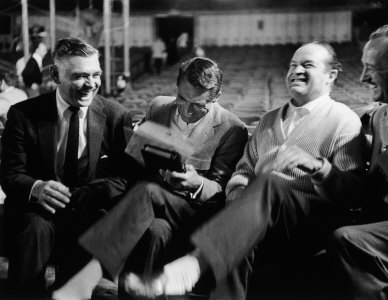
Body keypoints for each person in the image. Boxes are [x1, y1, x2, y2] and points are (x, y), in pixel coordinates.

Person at [131, 41, 368, 300]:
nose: (296, 70)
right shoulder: (269, 120)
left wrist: (317, 167)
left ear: (331, 75)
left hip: (307, 224)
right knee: (239, 224)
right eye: (292, 65)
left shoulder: (344, 120)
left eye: (307, 65)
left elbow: (353, 194)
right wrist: (238, 192)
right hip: (261, 217)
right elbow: (243, 170)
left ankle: (194, 265)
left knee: (270, 183)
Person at [52, 57, 248, 300]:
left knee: (147, 191)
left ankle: (87, 276)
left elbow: (221, 191)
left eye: (197, 106)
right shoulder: (159, 107)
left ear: (215, 97)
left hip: (192, 211)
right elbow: (134, 157)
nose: (186, 110)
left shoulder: (232, 128)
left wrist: (196, 183)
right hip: (147, 209)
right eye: (182, 99)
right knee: (154, 232)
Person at [1, 37, 133, 298]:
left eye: (96, 75)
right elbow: (10, 174)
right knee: (33, 229)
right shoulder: (23, 114)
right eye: (80, 76)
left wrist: (89, 194)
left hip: (88, 208)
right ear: (55, 75)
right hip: (37, 211)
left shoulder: (116, 115)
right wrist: (36, 187)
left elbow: (124, 177)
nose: (91, 84)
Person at [327, 23, 388, 300]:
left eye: (373, 68)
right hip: (386, 223)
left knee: (349, 240)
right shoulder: (382, 115)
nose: (362, 78)